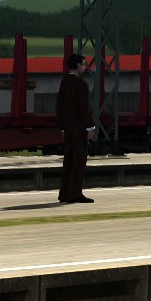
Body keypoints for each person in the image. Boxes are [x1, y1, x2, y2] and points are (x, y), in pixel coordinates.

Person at [55, 61, 94, 203]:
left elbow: (59, 106)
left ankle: (64, 193)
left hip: (68, 129)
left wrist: (63, 127)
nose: (84, 67)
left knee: (68, 160)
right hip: (79, 129)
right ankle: (74, 194)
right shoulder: (81, 84)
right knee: (79, 161)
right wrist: (90, 127)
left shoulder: (64, 82)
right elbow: (84, 107)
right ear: (77, 65)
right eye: (83, 64)